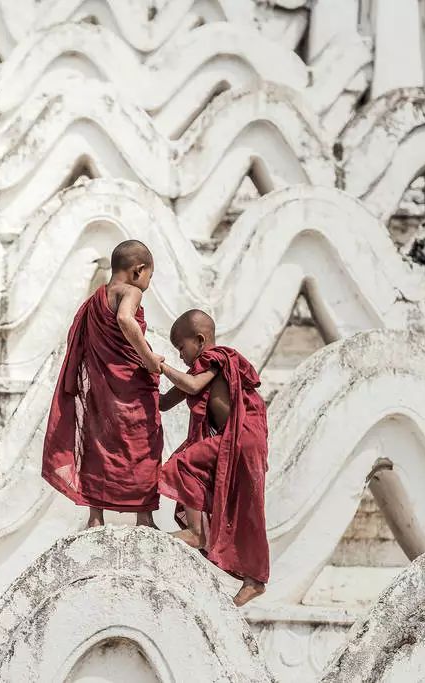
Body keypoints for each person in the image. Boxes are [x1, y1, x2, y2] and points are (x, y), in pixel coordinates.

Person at [42, 240, 164, 528]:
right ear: (139, 270)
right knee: (144, 446)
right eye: (149, 276)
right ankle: (143, 517)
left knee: (97, 446)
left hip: (100, 391)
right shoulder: (131, 291)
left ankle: (95, 517)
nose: (147, 283)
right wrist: (148, 358)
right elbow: (124, 319)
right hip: (131, 390)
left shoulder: (97, 298)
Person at [158, 309, 269, 606]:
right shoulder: (199, 370)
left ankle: (196, 533)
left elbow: (191, 386)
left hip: (242, 436)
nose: (180, 356)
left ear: (200, 340)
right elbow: (166, 402)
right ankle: (254, 580)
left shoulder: (214, 359)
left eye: (181, 348)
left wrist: (162, 368)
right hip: (234, 440)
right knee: (244, 508)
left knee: (182, 465)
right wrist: (137, 385)